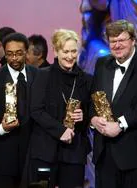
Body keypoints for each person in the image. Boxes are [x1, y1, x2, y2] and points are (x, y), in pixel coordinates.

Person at [90, 19, 137, 188]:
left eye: (121, 40)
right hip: (104, 154)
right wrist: (93, 120)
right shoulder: (102, 63)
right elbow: (93, 97)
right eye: (113, 41)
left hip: (134, 155)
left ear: (133, 40)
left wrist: (120, 125)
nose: (117, 45)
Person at [29, 29, 92, 188]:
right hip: (45, 149)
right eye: (65, 51)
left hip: (74, 152)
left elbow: (91, 112)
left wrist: (83, 116)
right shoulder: (43, 75)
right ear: (56, 51)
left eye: (73, 51)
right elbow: (36, 110)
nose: (70, 56)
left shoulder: (86, 80)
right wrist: (60, 130)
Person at [0, 32, 37, 188]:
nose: (14, 58)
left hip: (31, 155)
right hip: (3, 156)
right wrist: (1, 128)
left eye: (19, 54)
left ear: (26, 51)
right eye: (9, 54)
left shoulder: (37, 75)